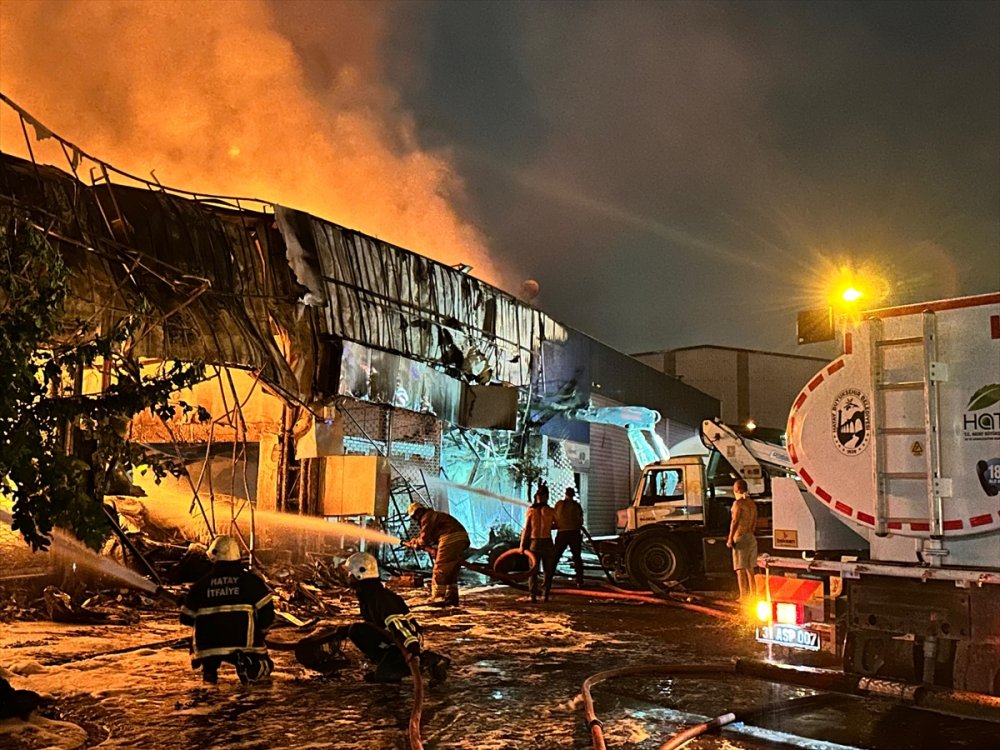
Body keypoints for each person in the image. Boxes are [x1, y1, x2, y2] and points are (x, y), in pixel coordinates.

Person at [331, 552, 450, 685]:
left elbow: (399, 625)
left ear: (361, 573)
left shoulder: (381, 599)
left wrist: (412, 650)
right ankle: (385, 664)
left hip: (403, 641)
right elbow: (374, 626)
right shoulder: (368, 595)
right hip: (391, 639)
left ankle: (431, 660)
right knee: (356, 630)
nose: (348, 577)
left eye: (350, 574)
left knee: (385, 676)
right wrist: (344, 631)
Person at [179, 535, 275, 685]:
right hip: (244, 646)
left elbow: (186, 619)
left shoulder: (200, 585)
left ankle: (209, 676)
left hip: (208, 650)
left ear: (213, 558)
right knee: (263, 671)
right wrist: (261, 633)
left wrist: (186, 603)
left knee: (209, 681)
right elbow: (267, 615)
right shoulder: (251, 582)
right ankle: (248, 670)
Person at [404, 503, 470, 606]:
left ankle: (438, 597)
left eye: (414, 516)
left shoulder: (427, 517)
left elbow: (424, 539)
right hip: (461, 538)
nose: (415, 519)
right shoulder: (434, 516)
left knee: (440, 569)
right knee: (451, 569)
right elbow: (430, 539)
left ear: (418, 512)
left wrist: (416, 543)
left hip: (450, 538)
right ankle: (451, 596)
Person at [520, 484, 556, 603]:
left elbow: (526, 529)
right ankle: (545, 594)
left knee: (533, 570)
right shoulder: (551, 511)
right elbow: (558, 525)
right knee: (548, 570)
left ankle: (533, 595)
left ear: (537, 497)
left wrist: (522, 545)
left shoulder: (531, 511)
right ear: (547, 497)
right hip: (547, 542)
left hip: (534, 542)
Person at [726, 479, 759, 601]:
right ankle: (753, 594)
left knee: (740, 568)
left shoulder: (738, 504)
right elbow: (755, 521)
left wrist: (730, 538)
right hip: (751, 536)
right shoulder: (752, 504)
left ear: (737, 489)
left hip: (740, 537)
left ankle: (743, 596)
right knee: (750, 568)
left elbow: (735, 521)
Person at [553, 486, 585, 587]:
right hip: (574, 533)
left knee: (555, 556)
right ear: (573, 495)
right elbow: (581, 521)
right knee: (577, 557)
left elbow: (554, 517)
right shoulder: (576, 505)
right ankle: (579, 581)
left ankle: (549, 577)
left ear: (565, 494)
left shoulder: (559, 504)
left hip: (562, 532)